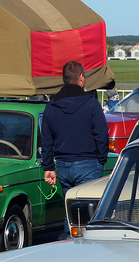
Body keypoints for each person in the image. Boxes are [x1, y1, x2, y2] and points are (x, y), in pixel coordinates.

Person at [42, 60, 109, 193]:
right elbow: (102, 134)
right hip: (88, 163)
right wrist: (101, 160)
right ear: (81, 78)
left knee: (71, 208)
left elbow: (46, 139)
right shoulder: (91, 103)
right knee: (89, 209)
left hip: (62, 165)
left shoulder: (52, 105)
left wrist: (48, 167)